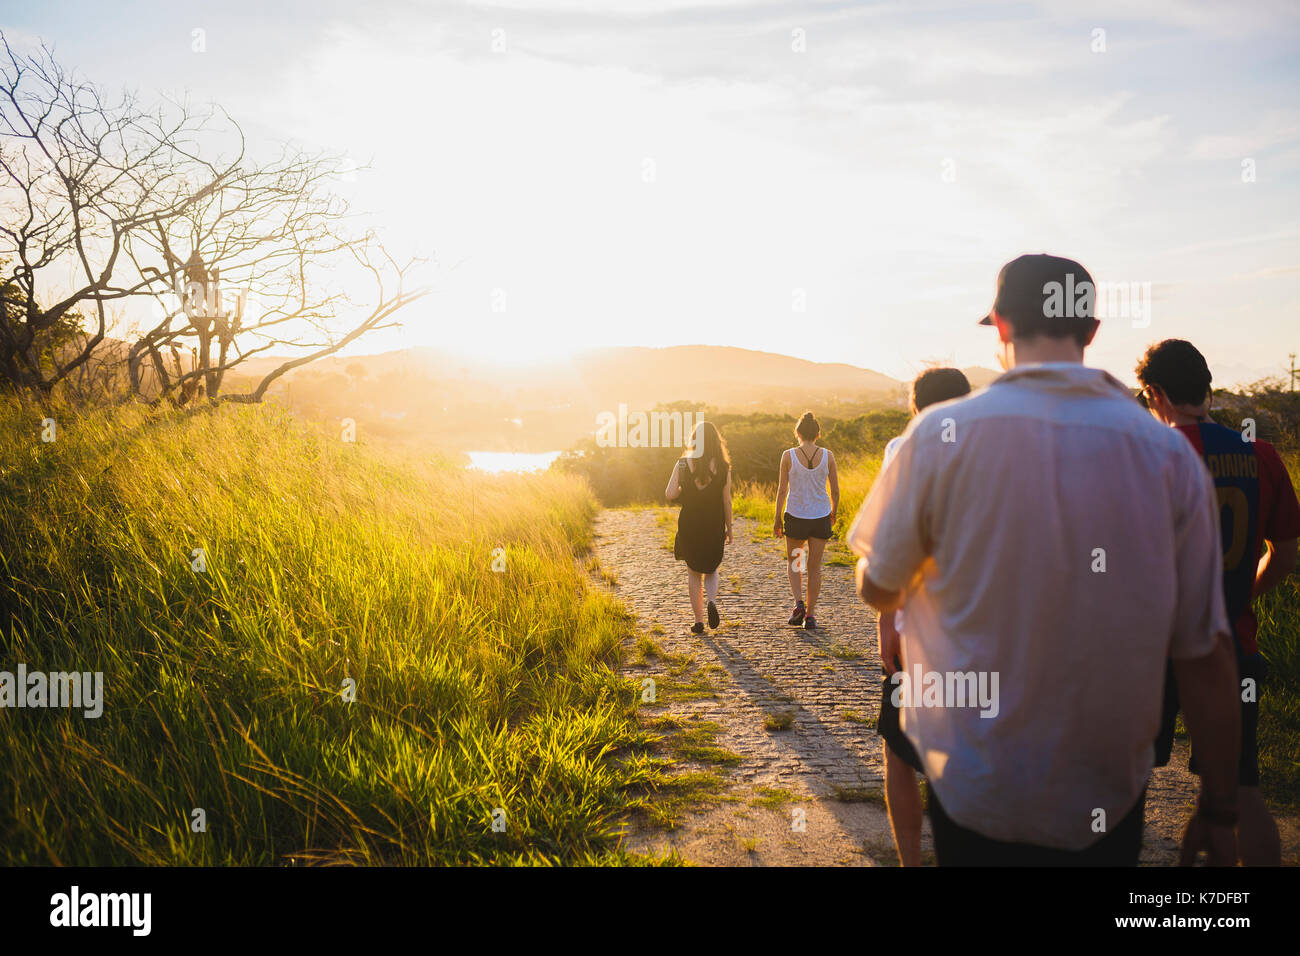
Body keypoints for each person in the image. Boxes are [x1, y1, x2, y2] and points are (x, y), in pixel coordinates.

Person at [848, 253, 1241, 865]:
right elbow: (1205, 650)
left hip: (974, 783)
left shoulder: (938, 437)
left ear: (1000, 327)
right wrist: (1219, 805)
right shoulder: (1165, 455)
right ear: (1090, 331)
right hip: (1105, 790)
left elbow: (879, 589)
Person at [1138, 338, 1300, 866]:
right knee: (1243, 788)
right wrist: (1242, 593)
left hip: (1153, 653)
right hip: (1234, 645)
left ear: (1156, 392)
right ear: (1206, 387)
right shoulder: (1263, 455)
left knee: (1124, 784)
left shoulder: (1151, 456)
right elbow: (1285, 554)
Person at [876, 367, 971, 866]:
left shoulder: (903, 449)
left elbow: (891, 549)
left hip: (918, 630)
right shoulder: (997, 451)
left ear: (914, 408)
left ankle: (912, 861)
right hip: (982, 631)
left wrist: (886, 623)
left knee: (899, 750)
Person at [665, 421, 733, 634]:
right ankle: (711, 601)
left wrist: (683, 487)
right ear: (715, 441)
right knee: (711, 568)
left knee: (693, 572)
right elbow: (727, 501)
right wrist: (729, 527)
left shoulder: (683, 464)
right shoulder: (723, 467)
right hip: (713, 523)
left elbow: (669, 494)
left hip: (690, 524)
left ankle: (698, 621)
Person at [773, 412, 840, 629]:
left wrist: (777, 518)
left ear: (798, 432)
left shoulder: (788, 455)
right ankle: (810, 616)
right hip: (820, 516)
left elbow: (782, 491)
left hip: (795, 516)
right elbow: (836, 491)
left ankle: (798, 603)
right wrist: (834, 512)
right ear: (818, 434)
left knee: (795, 563)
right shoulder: (828, 456)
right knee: (815, 567)